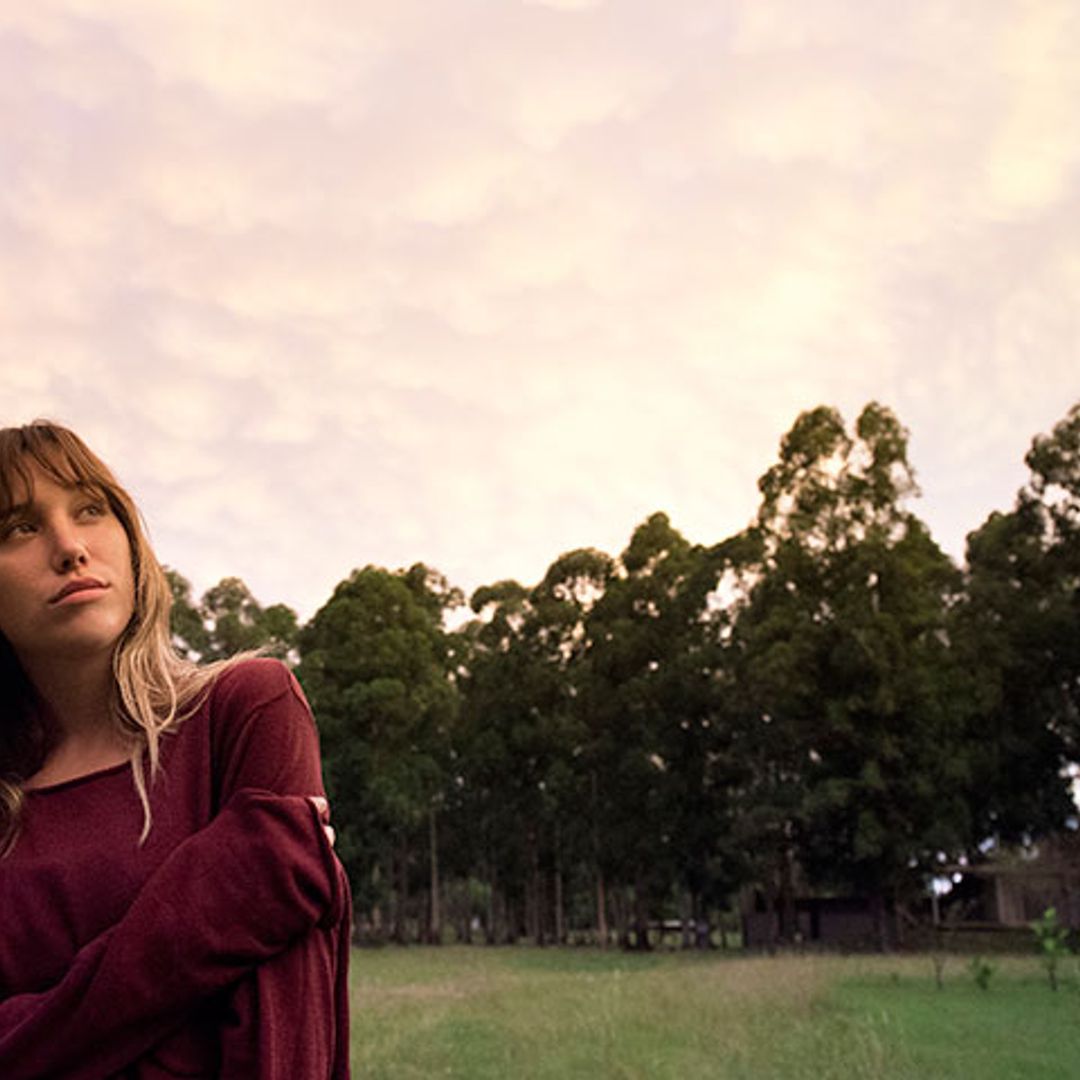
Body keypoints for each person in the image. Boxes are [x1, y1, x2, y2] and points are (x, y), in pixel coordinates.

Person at [0, 421, 351, 1079]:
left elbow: (283, 1027)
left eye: (90, 509)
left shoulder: (245, 709)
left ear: (132, 543)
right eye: (19, 527)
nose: (70, 547)